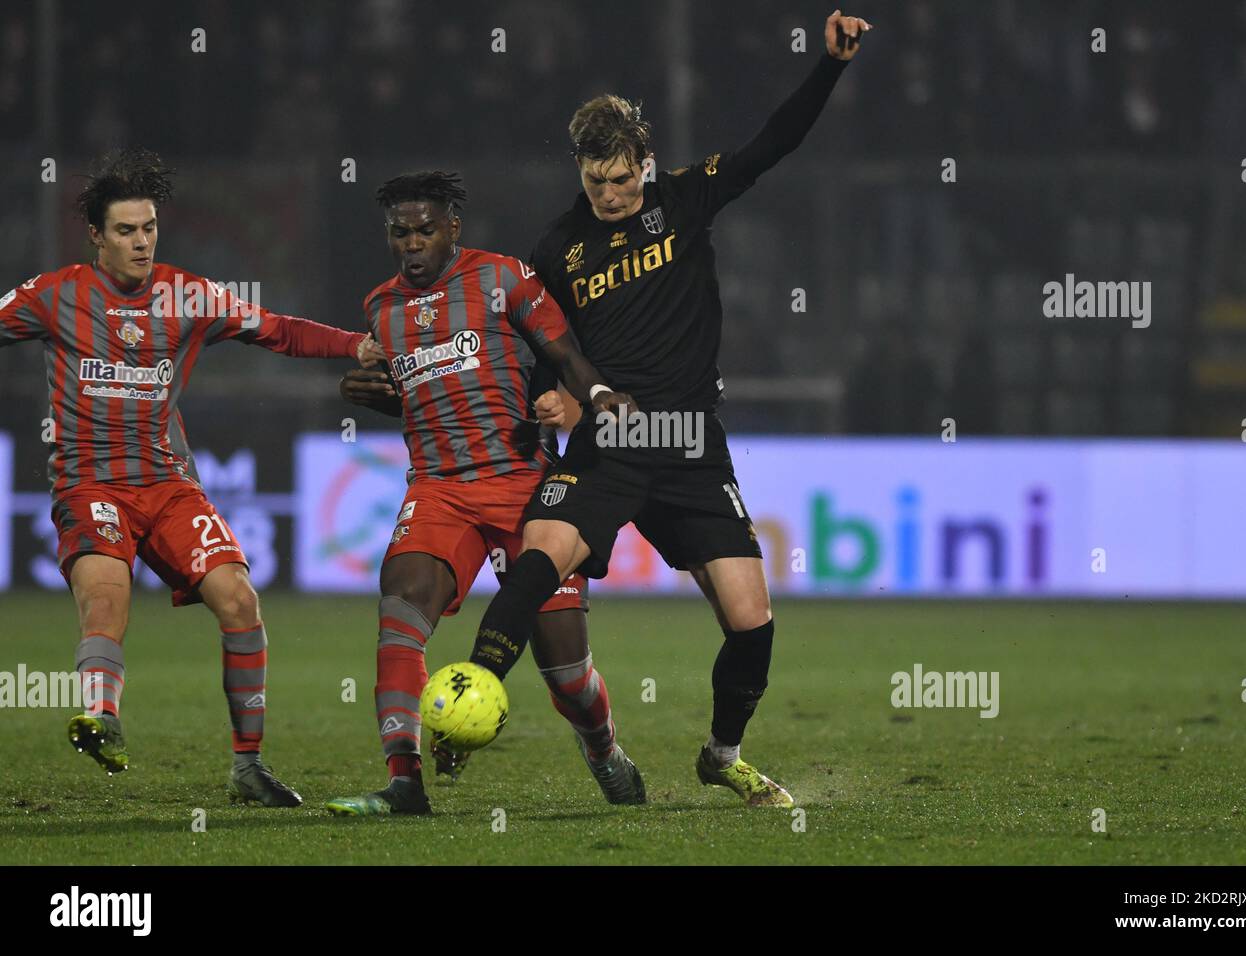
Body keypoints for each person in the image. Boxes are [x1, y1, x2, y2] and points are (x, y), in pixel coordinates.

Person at [466, 10, 873, 807]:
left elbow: (775, 142)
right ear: (579, 171)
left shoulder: (687, 199)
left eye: (622, 179)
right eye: (596, 181)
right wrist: (547, 397)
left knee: (751, 622)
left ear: (645, 165)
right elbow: (548, 346)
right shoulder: (557, 249)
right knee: (540, 552)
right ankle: (472, 689)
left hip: (689, 443)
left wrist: (828, 67)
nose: (611, 194)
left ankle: (722, 754)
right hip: (609, 439)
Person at [0, 147, 384, 806]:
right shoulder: (53, 296)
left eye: (148, 227)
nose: (141, 241)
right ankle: (102, 717)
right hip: (89, 483)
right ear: (96, 236)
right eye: (126, 231)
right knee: (105, 594)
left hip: (168, 483)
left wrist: (356, 344)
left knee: (238, 598)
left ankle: (248, 767)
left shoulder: (187, 295)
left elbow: (279, 331)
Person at [326, 170, 643, 816]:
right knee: (400, 611)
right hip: (439, 490)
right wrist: (374, 397)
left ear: (452, 230)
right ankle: (404, 781)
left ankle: (603, 749)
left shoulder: (505, 279)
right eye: (400, 232)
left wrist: (600, 397)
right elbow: (417, 395)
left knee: (567, 674)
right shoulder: (380, 309)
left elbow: (564, 355)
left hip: (525, 487)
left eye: (425, 230)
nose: (412, 244)